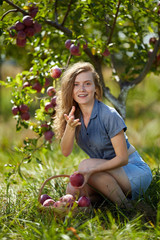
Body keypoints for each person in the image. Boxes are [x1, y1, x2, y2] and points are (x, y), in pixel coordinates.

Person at [54, 61, 152, 208]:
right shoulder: (74, 115)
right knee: (73, 189)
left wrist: (90, 169)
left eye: (87, 83)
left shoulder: (109, 115)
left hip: (133, 172)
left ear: (95, 88)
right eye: (76, 84)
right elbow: (65, 152)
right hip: (107, 173)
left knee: (85, 165)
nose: (82, 89)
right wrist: (69, 127)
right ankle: (102, 205)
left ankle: (126, 207)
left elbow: (123, 159)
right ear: (70, 89)